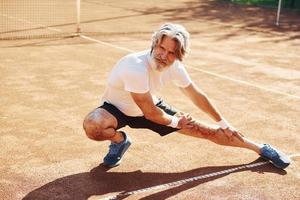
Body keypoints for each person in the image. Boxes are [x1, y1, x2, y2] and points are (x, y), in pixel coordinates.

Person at [83, 23, 291, 169]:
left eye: (171, 52)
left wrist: (224, 123)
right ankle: (120, 141)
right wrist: (177, 122)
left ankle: (261, 148)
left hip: (154, 108)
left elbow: (196, 95)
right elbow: (149, 112)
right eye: (160, 47)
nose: (163, 55)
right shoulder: (134, 67)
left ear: (179, 54)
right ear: (154, 43)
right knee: (94, 125)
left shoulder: (175, 67)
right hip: (119, 109)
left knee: (208, 132)